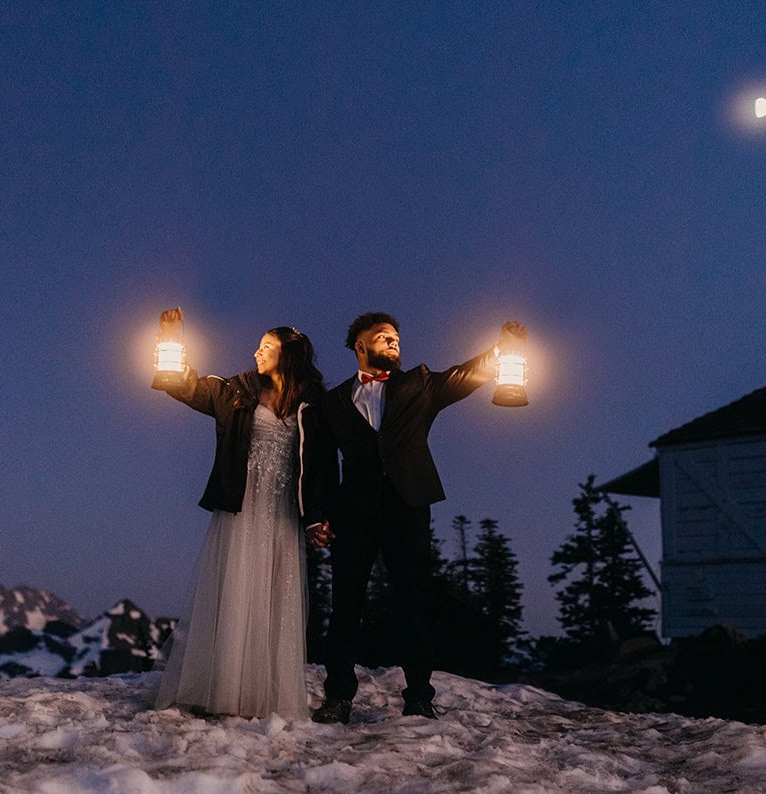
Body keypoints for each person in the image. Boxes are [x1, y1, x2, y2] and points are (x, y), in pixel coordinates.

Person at [309, 312, 527, 724]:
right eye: (383, 338)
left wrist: (501, 349)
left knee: (413, 603)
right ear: (360, 347)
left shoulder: (420, 384)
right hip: (353, 515)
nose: (393, 343)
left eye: (396, 338)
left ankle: (419, 698)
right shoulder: (333, 402)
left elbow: (464, 375)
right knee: (344, 608)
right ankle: (338, 697)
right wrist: (317, 515)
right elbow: (320, 464)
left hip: (408, 506)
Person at [151, 307, 330, 720]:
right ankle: (226, 690)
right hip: (242, 508)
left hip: (283, 513)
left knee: (274, 598)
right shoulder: (235, 390)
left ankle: (263, 696)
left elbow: (321, 465)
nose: (256, 352)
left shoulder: (314, 404)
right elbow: (185, 385)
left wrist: (318, 516)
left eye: (267, 347)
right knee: (237, 592)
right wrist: (171, 336)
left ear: (289, 354)